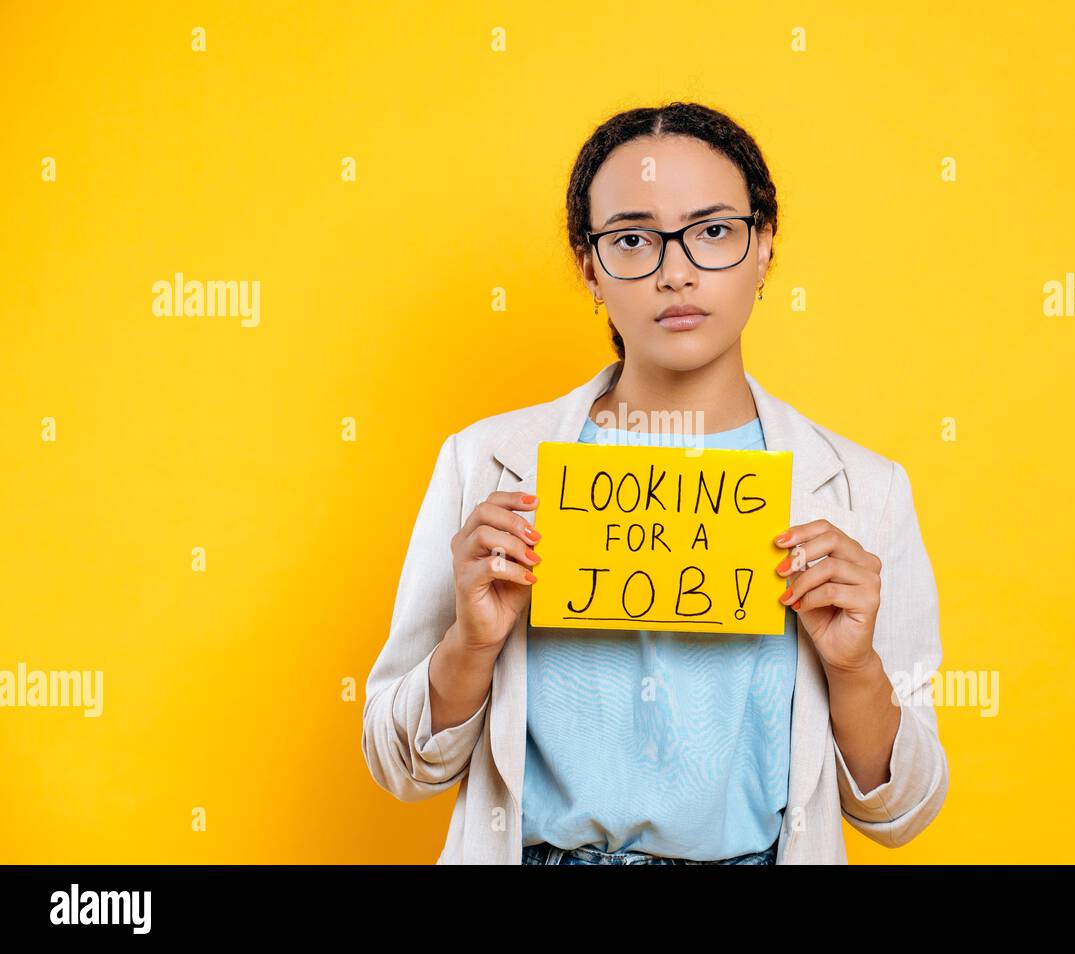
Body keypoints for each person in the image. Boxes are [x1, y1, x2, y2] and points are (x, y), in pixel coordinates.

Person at [362, 101, 948, 865]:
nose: (677, 272)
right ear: (589, 266)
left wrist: (855, 670)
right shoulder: (485, 464)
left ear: (764, 248)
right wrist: (470, 645)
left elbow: (901, 810)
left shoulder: (866, 493)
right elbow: (398, 765)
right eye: (634, 239)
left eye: (712, 232)